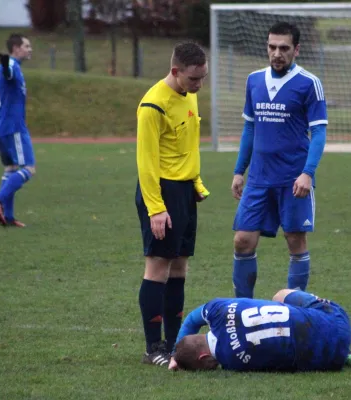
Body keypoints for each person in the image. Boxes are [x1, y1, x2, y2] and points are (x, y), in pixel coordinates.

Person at [231, 22, 327, 299]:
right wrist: (240, 171)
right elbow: (250, 127)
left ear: (296, 50)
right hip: (259, 178)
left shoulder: (309, 83)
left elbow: (319, 132)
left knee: (295, 240)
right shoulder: (254, 80)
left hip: (293, 178)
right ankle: (243, 308)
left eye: (284, 48)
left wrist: (308, 173)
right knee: (242, 241)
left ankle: (293, 311)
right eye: (272, 47)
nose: (277, 53)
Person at [135, 42, 210, 366]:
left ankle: (176, 344)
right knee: (158, 267)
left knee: (179, 266)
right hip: (161, 192)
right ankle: (154, 349)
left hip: (184, 193)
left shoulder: (188, 94)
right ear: (176, 71)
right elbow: (147, 162)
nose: (199, 85)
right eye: (194, 79)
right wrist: (156, 208)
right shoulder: (153, 105)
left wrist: (195, 183)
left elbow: (188, 145)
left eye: (203, 78)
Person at [167, 289, 351, 372]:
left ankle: (346, 355)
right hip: (338, 320)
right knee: (280, 295)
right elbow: (193, 318)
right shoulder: (217, 309)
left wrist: (180, 356)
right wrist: (176, 353)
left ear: (204, 357)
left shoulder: (233, 363)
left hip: (330, 360)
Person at [0, 33, 34, 228]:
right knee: (29, 169)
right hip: (13, 126)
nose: (30, 49)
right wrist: (6, 64)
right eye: (27, 46)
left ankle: (8, 216)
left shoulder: (12, 66)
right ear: (16, 48)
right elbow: (8, 73)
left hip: (0, 125)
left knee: (11, 169)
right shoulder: (11, 66)